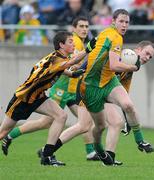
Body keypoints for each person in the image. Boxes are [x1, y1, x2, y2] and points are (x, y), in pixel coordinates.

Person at [2, 17, 98, 160]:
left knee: (61, 116)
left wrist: (73, 73)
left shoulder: (57, 57)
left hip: (39, 96)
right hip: (23, 98)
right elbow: (71, 62)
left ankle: (47, 155)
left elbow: (61, 68)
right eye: (70, 42)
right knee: (3, 132)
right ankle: (10, 136)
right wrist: (87, 51)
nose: (73, 45)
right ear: (61, 45)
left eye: (86, 26)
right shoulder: (58, 58)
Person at [78, 9, 154, 166]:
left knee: (127, 106)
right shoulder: (115, 38)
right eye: (121, 21)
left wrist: (127, 116)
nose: (125, 24)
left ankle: (140, 141)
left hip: (108, 81)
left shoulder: (117, 40)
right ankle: (98, 150)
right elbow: (112, 64)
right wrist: (132, 67)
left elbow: (123, 89)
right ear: (113, 21)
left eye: (127, 22)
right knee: (97, 127)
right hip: (91, 86)